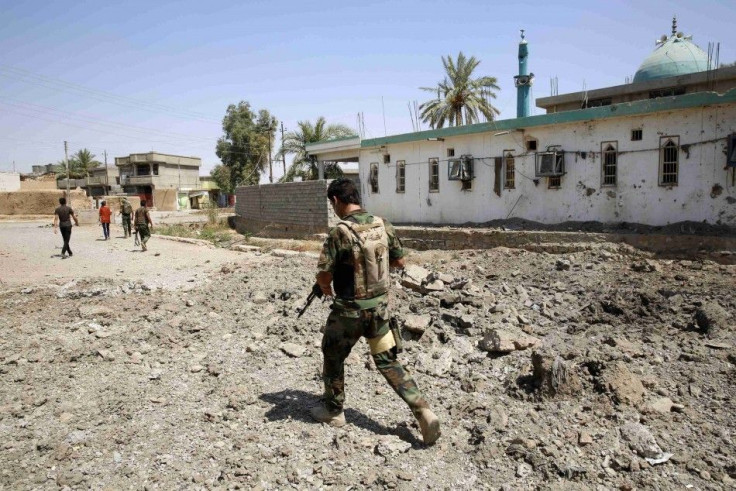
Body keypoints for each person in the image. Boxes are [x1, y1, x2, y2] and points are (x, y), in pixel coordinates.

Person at [310, 177, 441, 445]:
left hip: (348, 313)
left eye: (332, 204)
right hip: (379, 311)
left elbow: (324, 274)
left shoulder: (340, 231)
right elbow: (400, 260)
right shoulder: (383, 224)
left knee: (333, 354)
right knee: (388, 361)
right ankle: (423, 410)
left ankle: (334, 411)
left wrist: (326, 289)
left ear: (336, 200)